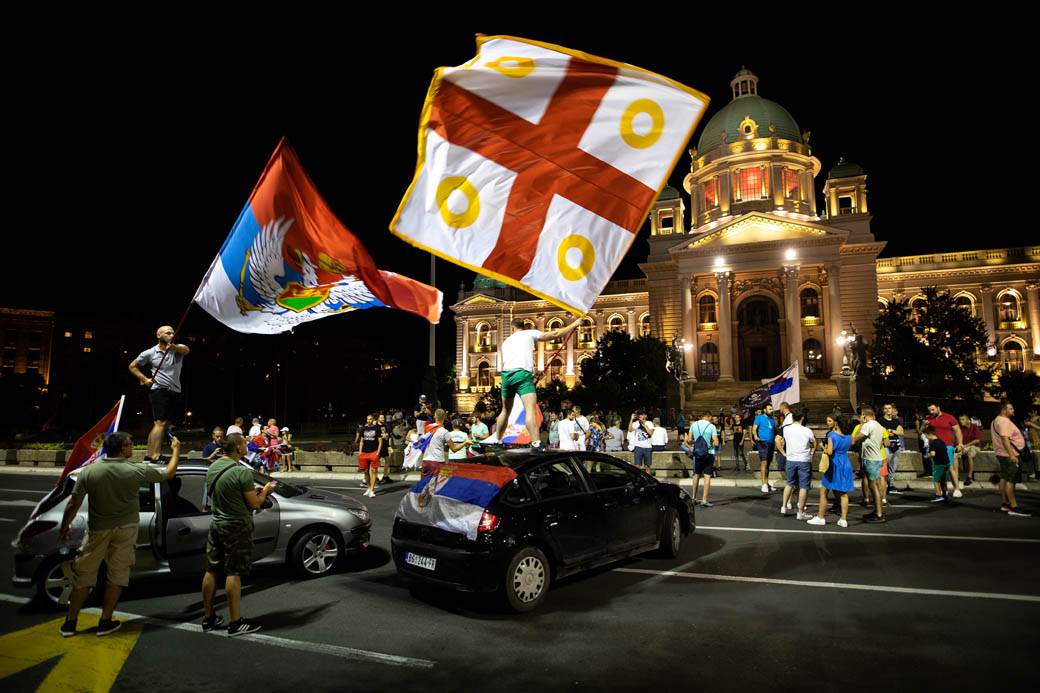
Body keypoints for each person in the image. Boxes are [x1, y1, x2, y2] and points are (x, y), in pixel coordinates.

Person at [59, 432, 181, 637]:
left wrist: (64, 527)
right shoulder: (135, 470)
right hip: (126, 530)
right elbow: (169, 473)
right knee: (116, 577)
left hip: (98, 529)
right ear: (123, 448)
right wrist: (176, 449)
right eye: (131, 444)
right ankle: (105, 621)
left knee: (84, 578)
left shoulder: (89, 472)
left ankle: (70, 623)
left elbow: (73, 504)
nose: (132, 447)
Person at [200, 433, 275, 636]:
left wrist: (252, 491)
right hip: (236, 527)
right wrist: (265, 490)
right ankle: (235, 623)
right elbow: (255, 504)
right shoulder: (242, 472)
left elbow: (226, 494)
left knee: (212, 569)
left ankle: (209, 618)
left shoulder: (213, 467)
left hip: (217, 523)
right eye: (244, 443)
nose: (247, 445)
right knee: (234, 572)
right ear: (238, 449)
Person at [494, 317, 581, 447]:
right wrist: (574, 324)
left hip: (506, 376)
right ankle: (535, 442)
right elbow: (554, 334)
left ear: (513, 328)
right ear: (524, 326)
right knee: (530, 409)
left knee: (505, 411)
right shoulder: (529, 333)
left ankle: (498, 440)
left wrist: (534, 374)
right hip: (522, 375)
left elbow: (516, 360)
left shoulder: (506, 342)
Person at [129, 325, 190, 461]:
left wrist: (174, 347)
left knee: (161, 424)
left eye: (173, 333)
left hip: (174, 391)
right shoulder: (150, 353)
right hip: (159, 390)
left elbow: (186, 350)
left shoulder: (177, 349)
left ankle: (149, 454)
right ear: (158, 335)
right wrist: (144, 379)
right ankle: (155, 455)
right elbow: (132, 366)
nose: (171, 335)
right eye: (168, 333)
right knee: (160, 423)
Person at [809, 415, 853, 527]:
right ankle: (843, 519)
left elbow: (829, 452)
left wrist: (821, 446)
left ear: (837, 423)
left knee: (824, 491)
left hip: (834, 464)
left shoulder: (832, 435)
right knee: (843, 493)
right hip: (845, 463)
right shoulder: (848, 436)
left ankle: (820, 517)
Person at [776, 405, 816, 520]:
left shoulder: (786, 428)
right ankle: (800, 512)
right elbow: (814, 442)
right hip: (804, 460)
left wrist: (783, 452)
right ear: (802, 418)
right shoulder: (807, 430)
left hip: (791, 459)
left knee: (789, 483)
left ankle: (783, 506)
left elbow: (777, 440)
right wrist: (812, 451)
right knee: (803, 486)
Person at [992, 402, 1030, 516]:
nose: (1013, 410)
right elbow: (1005, 439)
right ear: (1004, 410)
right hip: (1009, 455)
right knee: (1011, 481)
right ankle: (1014, 507)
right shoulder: (1003, 421)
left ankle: (1005, 504)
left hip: (1002, 454)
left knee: (1004, 477)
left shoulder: (996, 420)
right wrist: (1012, 455)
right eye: (1011, 408)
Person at [851, 407, 887, 523]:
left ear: (864, 415)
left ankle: (879, 514)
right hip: (876, 457)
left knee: (873, 486)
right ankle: (877, 511)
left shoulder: (868, 425)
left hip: (871, 459)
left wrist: (861, 423)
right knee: (874, 485)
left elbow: (855, 439)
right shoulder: (878, 425)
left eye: (862, 416)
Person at [925, 403, 963, 497]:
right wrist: (923, 424)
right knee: (939, 469)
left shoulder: (949, 417)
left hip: (947, 446)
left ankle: (957, 489)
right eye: (930, 410)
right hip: (934, 447)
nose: (931, 412)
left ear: (938, 408)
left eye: (933, 409)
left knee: (949, 467)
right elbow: (923, 432)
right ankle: (943, 490)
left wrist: (960, 443)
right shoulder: (928, 419)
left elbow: (957, 430)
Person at [421, 409, 468, 477]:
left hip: (426, 462)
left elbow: (423, 443)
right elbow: (454, 449)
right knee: (438, 485)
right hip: (438, 462)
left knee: (423, 486)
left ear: (434, 416)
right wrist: (465, 442)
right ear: (444, 417)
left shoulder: (427, 428)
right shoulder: (444, 432)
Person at [687, 412, 719, 507]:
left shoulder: (694, 424)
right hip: (709, 454)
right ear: (708, 417)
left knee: (696, 475)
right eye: (711, 418)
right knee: (707, 476)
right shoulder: (711, 426)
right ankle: (704, 500)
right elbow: (716, 442)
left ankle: (693, 497)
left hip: (697, 454)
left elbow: (689, 440)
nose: (711, 420)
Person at [879, 403, 905, 495]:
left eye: (889, 408)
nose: (888, 410)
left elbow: (901, 432)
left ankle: (891, 485)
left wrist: (891, 431)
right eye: (885, 408)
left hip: (896, 446)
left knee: (892, 468)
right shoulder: (880, 420)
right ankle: (883, 486)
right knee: (884, 467)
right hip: (886, 447)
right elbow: (880, 432)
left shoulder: (896, 421)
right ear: (883, 410)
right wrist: (887, 432)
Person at [922, 425, 953, 503]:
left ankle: (938, 495)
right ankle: (945, 494)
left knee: (936, 480)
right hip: (946, 463)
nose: (926, 437)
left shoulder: (933, 443)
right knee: (943, 480)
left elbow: (933, 454)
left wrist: (926, 456)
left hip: (939, 465)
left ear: (929, 434)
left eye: (926, 436)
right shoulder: (941, 441)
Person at [355, 414, 382, 498]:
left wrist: (378, 452)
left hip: (373, 452)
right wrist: (360, 452)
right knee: (366, 471)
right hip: (364, 453)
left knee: (374, 471)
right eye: (367, 419)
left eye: (370, 419)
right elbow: (361, 441)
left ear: (373, 420)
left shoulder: (377, 428)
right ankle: (369, 487)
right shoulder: (363, 429)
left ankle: (372, 490)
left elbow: (380, 441)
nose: (369, 421)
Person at [751, 405, 777, 493]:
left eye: (772, 409)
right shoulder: (759, 417)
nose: (771, 410)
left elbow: (774, 431)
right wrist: (755, 436)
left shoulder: (773, 420)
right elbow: (754, 428)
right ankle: (763, 484)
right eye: (769, 409)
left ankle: (767, 483)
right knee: (764, 462)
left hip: (771, 443)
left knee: (768, 464)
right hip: (762, 442)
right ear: (764, 410)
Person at [957, 414, 982, 487]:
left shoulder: (974, 426)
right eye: (960, 420)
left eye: (963, 419)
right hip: (964, 447)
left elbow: (977, 440)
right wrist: (960, 445)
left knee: (970, 454)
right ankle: (957, 476)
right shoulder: (960, 428)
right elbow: (958, 439)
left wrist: (965, 446)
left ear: (968, 420)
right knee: (955, 454)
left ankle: (969, 477)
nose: (961, 421)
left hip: (974, 446)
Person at [377, 414, 392, 485]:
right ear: (378, 419)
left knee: (387, 460)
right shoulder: (376, 426)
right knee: (376, 462)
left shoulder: (385, 425)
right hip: (379, 446)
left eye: (383, 417)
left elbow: (387, 434)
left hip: (385, 445)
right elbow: (377, 436)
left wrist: (387, 435)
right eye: (381, 418)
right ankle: (375, 476)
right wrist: (383, 436)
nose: (383, 419)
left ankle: (385, 476)